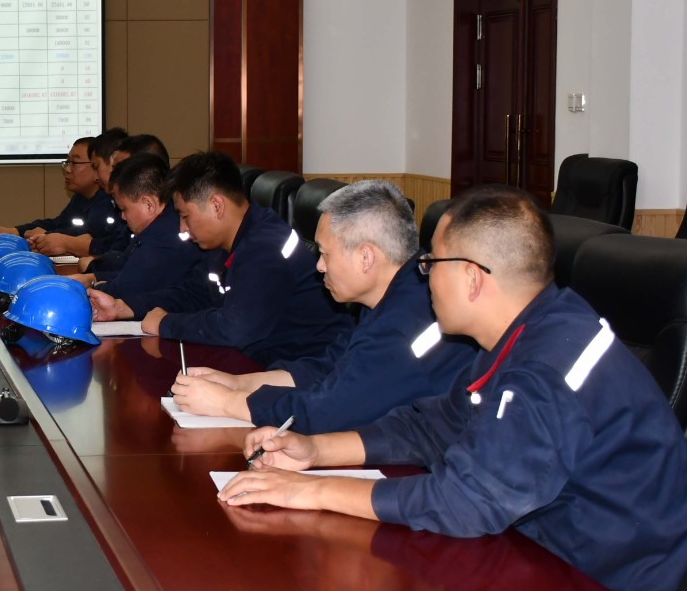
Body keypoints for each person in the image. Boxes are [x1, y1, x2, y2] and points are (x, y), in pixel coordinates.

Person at [218, 185, 687, 591]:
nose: (423, 275)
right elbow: (430, 427)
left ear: (472, 277)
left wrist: (309, 491)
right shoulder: (525, 334)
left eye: (431, 262)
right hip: (545, 555)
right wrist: (315, 451)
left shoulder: (546, 368)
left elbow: (465, 501)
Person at [172, 180, 477, 430]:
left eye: (325, 254)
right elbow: (329, 367)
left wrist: (228, 403)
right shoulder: (392, 295)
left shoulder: (409, 319)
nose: (318, 266)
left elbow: (331, 410)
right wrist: (238, 384)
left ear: (365, 257)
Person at [90, 151, 352, 365]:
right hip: (260, 362)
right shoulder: (224, 242)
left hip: (307, 370)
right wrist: (123, 308)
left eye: (185, 216)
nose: (182, 229)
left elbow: (234, 328)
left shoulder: (265, 246)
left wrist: (167, 324)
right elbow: (195, 293)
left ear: (216, 206)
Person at [74, 154, 204, 301]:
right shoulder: (157, 226)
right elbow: (130, 271)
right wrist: (94, 277)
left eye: (124, 209)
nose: (122, 217)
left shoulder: (165, 236)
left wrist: (89, 286)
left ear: (149, 204)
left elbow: (125, 289)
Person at [0, 135, 117, 251]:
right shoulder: (80, 198)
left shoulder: (108, 199)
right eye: (67, 162)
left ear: (96, 166)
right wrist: (14, 231)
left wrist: (47, 235)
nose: (67, 169)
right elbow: (58, 223)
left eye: (74, 163)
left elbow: (93, 233)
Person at [84, 132, 172, 278]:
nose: (114, 175)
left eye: (122, 168)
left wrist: (95, 276)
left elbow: (133, 276)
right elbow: (121, 254)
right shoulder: (131, 207)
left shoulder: (167, 226)